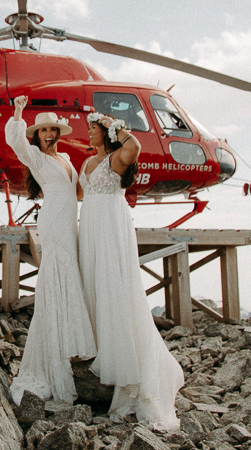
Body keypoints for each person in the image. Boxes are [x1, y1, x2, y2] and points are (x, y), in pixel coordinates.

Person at [77, 112, 184, 431]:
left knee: (115, 288)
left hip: (111, 228)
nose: (89, 133)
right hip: (91, 230)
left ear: (106, 132)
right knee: (94, 284)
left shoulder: (116, 158)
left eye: (93, 129)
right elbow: (80, 194)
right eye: (90, 129)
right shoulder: (86, 164)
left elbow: (135, 145)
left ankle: (130, 373)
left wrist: (115, 125)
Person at [4, 95, 96, 404]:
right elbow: (16, 141)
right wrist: (18, 111)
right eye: (44, 131)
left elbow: (78, 190)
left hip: (70, 220)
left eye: (53, 131)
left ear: (58, 134)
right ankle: (56, 346)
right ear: (37, 135)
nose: (49, 135)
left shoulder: (67, 159)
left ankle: (70, 337)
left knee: (71, 270)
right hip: (54, 221)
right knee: (59, 269)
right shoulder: (36, 158)